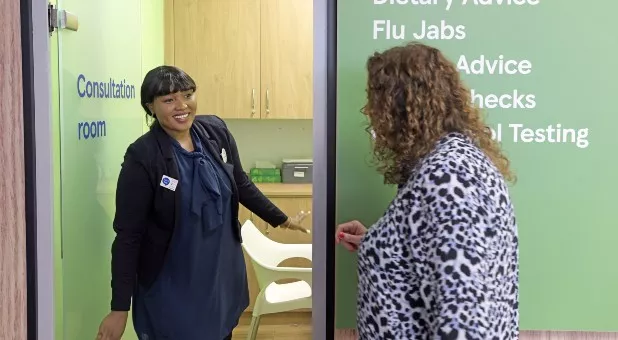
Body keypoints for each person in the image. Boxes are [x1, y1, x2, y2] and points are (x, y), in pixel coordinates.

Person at [96, 65, 307, 340]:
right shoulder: (143, 157)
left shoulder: (215, 131)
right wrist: (119, 308)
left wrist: (282, 219)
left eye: (188, 94)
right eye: (168, 100)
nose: (181, 106)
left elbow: (240, 183)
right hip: (172, 284)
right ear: (151, 107)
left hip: (220, 274)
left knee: (222, 332)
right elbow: (128, 237)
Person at [336, 42, 519, 339]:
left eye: (376, 101)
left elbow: (464, 318)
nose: (370, 113)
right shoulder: (449, 163)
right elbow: (434, 260)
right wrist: (379, 242)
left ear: (402, 106)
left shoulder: (449, 176)